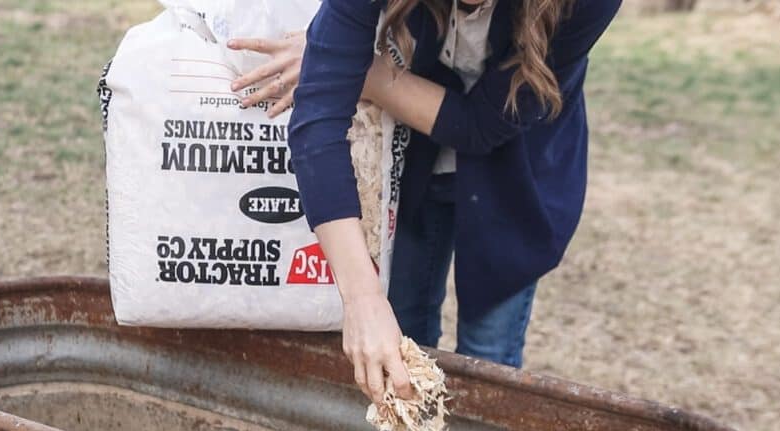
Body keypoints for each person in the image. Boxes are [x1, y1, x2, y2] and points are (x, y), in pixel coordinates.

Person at [229, 0, 621, 404]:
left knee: (489, 357)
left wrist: (359, 69)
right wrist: (362, 299)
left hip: (515, 168)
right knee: (403, 330)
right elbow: (318, 121)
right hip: (414, 153)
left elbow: (480, 126)